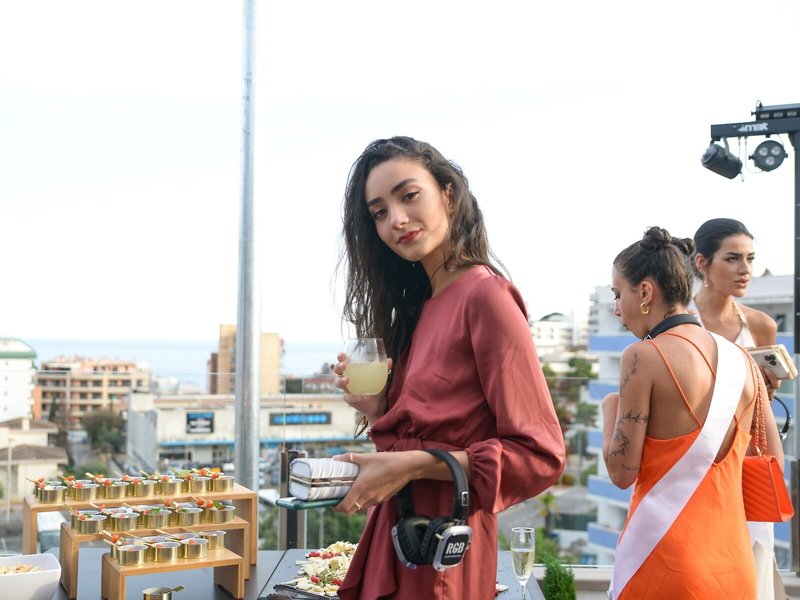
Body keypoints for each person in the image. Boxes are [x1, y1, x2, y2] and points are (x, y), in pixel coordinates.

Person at [329, 136, 565, 599]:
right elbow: (425, 435)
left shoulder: (486, 297)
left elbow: (540, 456)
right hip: (405, 535)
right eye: (379, 212)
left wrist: (411, 465)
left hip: (443, 551)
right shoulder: (421, 306)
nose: (396, 219)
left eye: (409, 195)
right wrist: (379, 410)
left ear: (449, 194)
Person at [602, 226, 784, 599]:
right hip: (734, 563)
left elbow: (621, 473)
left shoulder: (642, 356)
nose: (617, 308)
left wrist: (610, 410)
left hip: (665, 560)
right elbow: (773, 459)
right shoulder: (742, 359)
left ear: (646, 292)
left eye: (619, 294)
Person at [691, 217, 786, 600]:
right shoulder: (679, 322)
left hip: (745, 464)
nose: (745, 269)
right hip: (691, 463)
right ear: (702, 262)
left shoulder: (761, 325)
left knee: (748, 567)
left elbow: (763, 408)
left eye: (750, 258)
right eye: (732, 258)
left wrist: (766, 388)